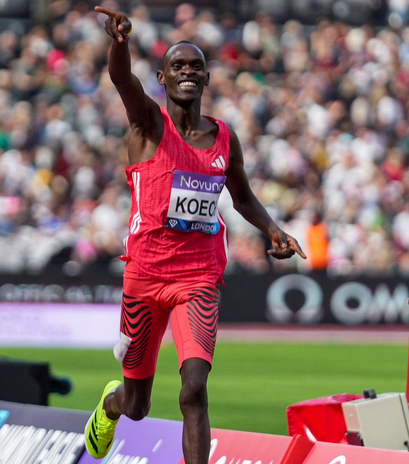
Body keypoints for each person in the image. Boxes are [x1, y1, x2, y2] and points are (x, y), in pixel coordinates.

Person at [85, 7, 307, 463]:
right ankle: (111, 406)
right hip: (144, 277)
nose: (188, 72)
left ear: (206, 79)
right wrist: (120, 42)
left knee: (194, 389)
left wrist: (274, 230)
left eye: (196, 67)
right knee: (138, 406)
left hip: (199, 277)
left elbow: (242, 196)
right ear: (164, 79)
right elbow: (122, 79)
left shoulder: (224, 137)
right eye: (178, 66)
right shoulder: (148, 124)